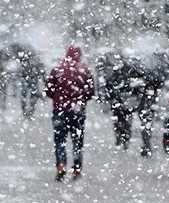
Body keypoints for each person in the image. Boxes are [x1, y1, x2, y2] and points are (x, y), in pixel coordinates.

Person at [43, 45, 95, 181]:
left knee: (60, 140)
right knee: (77, 141)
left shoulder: (57, 69)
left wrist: (58, 99)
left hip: (60, 110)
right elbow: (90, 92)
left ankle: (61, 164)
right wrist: (79, 100)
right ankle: (77, 170)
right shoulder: (85, 70)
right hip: (78, 111)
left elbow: (49, 90)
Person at [104, 55, 162, 156]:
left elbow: (111, 84)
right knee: (141, 123)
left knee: (125, 121)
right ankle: (142, 144)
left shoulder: (124, 72)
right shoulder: (143, 72)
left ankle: (125, 139)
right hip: (138, 101)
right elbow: (156, 83)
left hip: (132, 101)